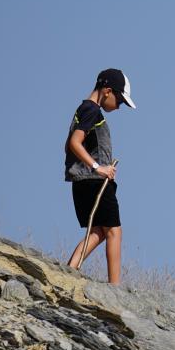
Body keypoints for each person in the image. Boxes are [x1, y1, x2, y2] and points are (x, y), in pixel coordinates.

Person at [64, 68, 136, 284]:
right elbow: (74, 143)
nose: (120, 106)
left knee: (99, 231)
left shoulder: (84, 110)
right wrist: (98, 167)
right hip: (94, 182)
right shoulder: (91, 111)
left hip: (82, 182)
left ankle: (70, 269)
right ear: (107, 91)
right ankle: (115, 288)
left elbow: (68, 146)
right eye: (120, 100)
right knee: (114, 231)